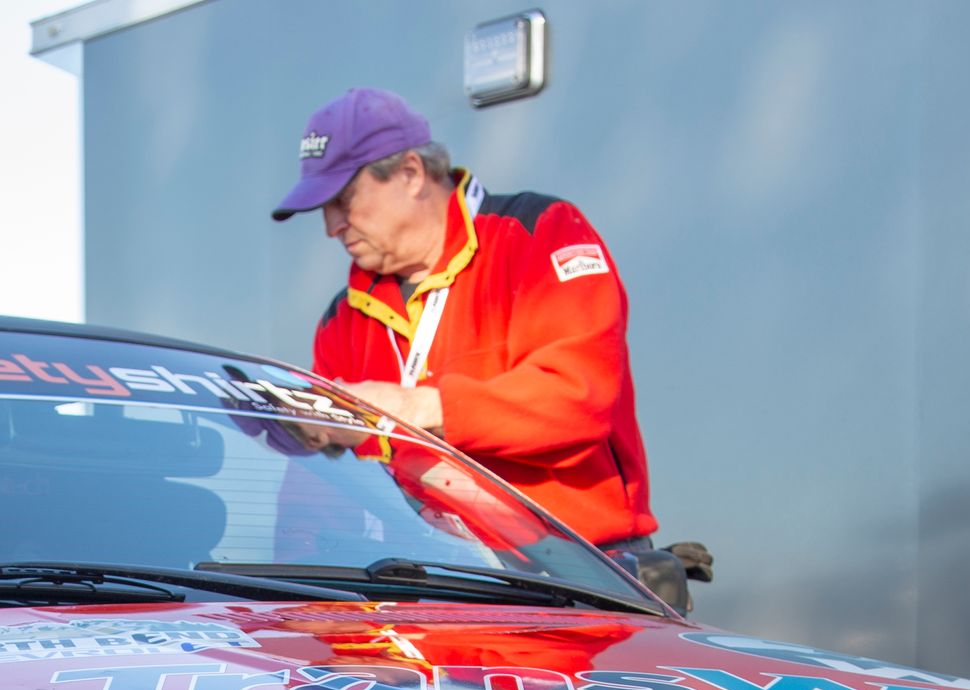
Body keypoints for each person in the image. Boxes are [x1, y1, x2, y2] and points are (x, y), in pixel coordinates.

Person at [274, 86, 701, 610]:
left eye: (342, 200)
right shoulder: (342, 319)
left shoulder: (538, 233)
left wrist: (411, 407)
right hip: (422, 600)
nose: (331, 226)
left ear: (410, 174)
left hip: (579, 586)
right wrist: (310, 610)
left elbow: (577, 399)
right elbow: (319, 496)